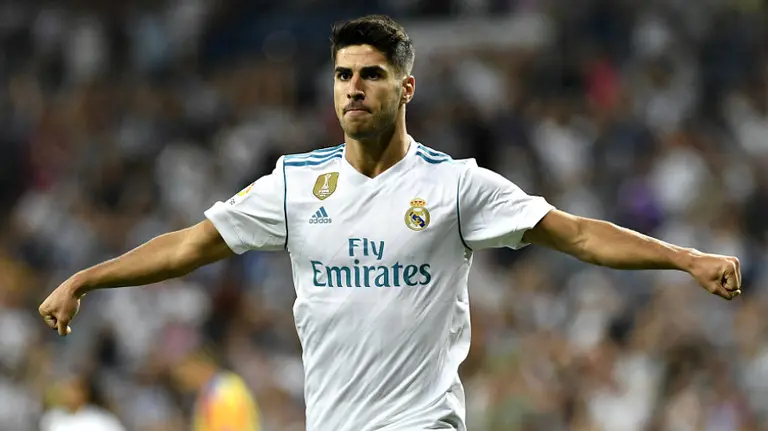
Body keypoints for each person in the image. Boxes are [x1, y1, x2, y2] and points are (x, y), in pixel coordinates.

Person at [39, 14, 742, 431]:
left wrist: (684, 257)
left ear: (405, 87)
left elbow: (580, 234)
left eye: (370, 75)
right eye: (343, 75)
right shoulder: (294, 185)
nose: (353, 89)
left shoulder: (455, 185)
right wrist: (88, 278)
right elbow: (190, 245)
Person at [170, 345, 262, 431]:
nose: (181, 375)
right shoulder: (210, 390)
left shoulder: (224, 389)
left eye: (184, 368)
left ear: (199, 365)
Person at [39, 375, 126, 431]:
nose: (68, 394)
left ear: (84, 394)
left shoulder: (100, 420)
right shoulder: (52, 418)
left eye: (73, 390)